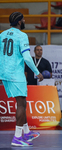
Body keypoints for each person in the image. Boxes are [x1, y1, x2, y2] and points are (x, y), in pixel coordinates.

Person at [0, 12, 43, 146]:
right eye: (23, 19)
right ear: (19, 22)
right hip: (16, 73)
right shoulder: (22, 36)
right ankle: (17, 137)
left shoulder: (2, 35)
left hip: (4, 73)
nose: (24, 20)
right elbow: (26, 58)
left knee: (20, 103)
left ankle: (27, 132)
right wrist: (37, 72)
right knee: (21, 104)